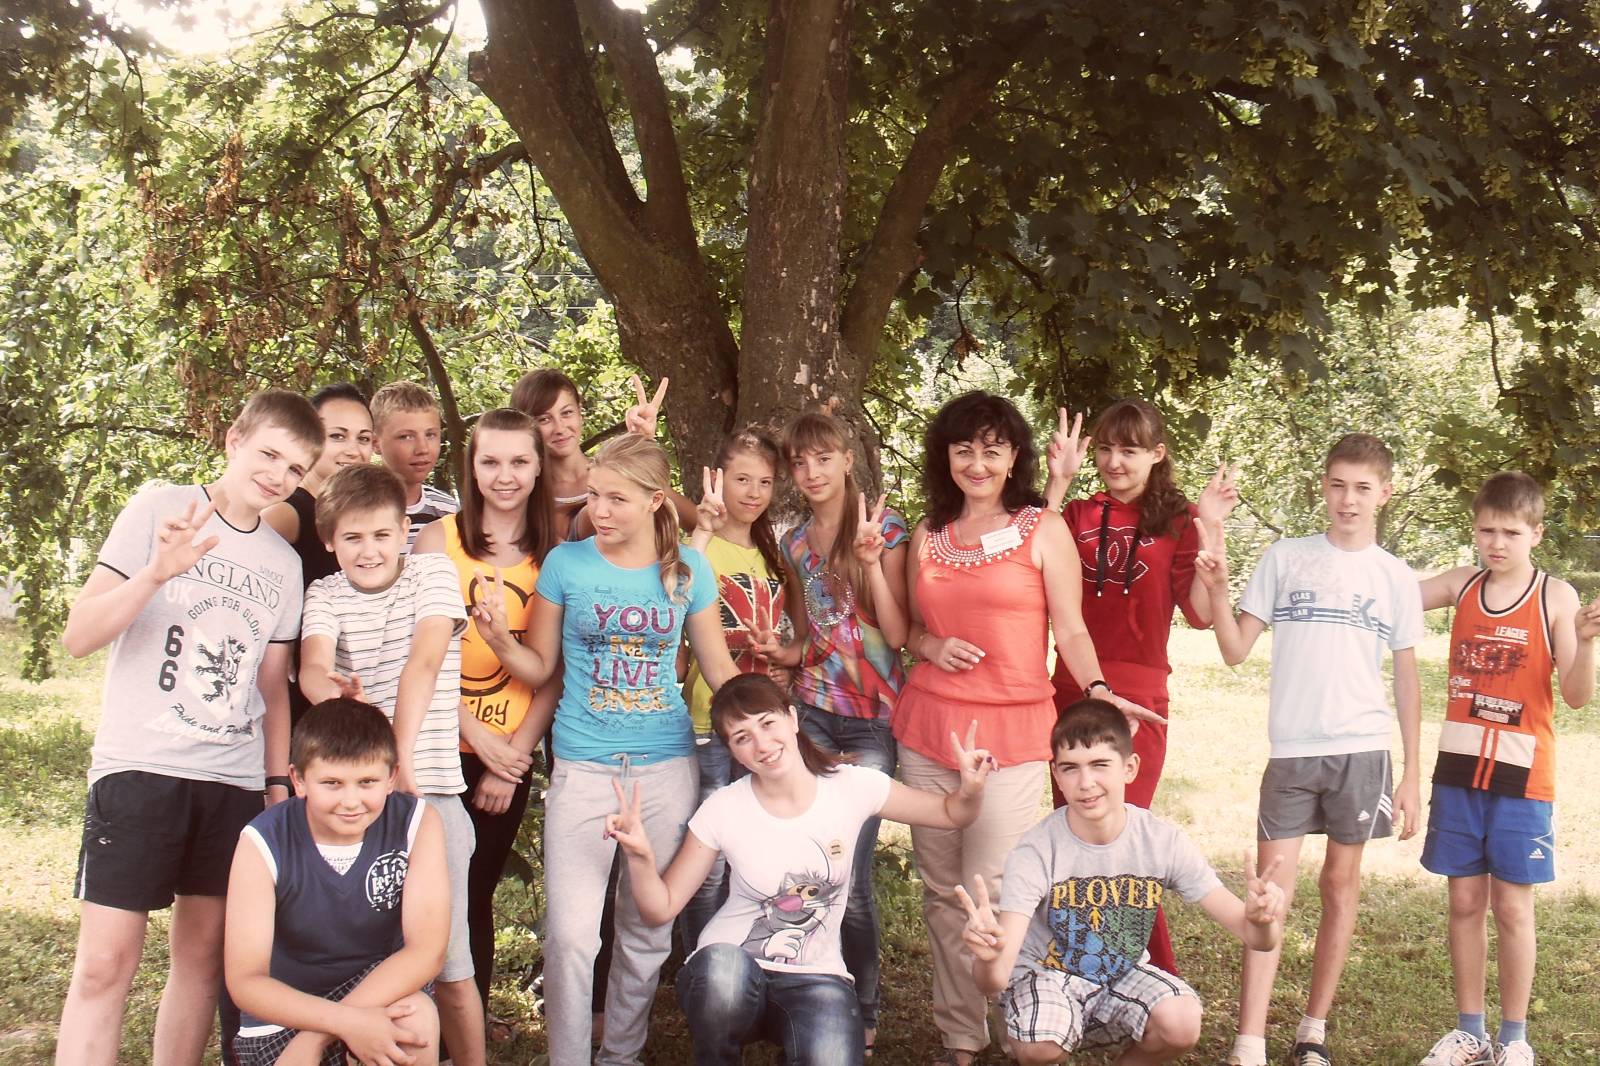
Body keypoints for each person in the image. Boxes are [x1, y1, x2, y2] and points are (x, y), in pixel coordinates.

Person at [56, 389, 323, 1066]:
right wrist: (155, 573)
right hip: (140, 767)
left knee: (202, 959)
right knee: (104, 964)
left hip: (231, 783)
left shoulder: (284, 564)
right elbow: (78, 637)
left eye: (295, 468)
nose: (278, 476)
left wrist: (274, 786)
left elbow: (271, 686)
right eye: (269, 454)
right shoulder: (158, 510)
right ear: (234, 439)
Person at [894, 391, 1159, 1065]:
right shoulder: (928, 533)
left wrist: (1099, 692)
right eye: (963, 450)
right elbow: (909, 629)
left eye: (992, 450)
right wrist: (930, 646)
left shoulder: (1042, 528)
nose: (977, 464)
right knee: (943, 893)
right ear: (945, 457)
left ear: (1014, 457)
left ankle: (1028, 1020)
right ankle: (960, 1036)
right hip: (929, 728)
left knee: (992, 888)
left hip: (1010, 735)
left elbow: (1070, 628)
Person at [474, 432, 739, 1066]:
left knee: (646, 931)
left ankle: (621, 1054)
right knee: (570, 936)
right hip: (584, 766)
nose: (599, 510)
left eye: (616, 498)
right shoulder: (567, 564)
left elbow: (719, 671)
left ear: (655, 500)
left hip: (666, 766)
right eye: (594, 495)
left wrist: (777, 728)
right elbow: (540, 668)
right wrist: (499, 640)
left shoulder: (689, 571)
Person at [605, 673, 994, 1066]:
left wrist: (971, 789)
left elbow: (951, 813)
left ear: (792, 718)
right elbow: (661, 907)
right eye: (742, 737)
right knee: (722, 973)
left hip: (816, 976)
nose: (762, 744)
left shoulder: (852, 786)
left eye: (767, 723)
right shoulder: (723, 808)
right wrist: (640, 856)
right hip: (731, 968)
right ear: (733, 752)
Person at [1195, 433, 1425, 1066]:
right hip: (1293, 751)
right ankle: (1249, 1042)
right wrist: (1218, 587)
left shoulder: (1395, 577)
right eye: (1338, 485)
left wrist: (1411, 774)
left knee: (1340, 885)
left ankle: (1312, 1031)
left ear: (1384, 492)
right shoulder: (1285, 557)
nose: (1348, 500)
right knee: (1270, 891)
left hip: (1363, 751)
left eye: (1362, 488)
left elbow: (1407, 681)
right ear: (1322, 486)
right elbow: (1234, 650)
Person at [957, 700, 1287, 1066]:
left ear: (1129, 768)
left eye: (1100, 765)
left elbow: (1257, 939)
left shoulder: (1160, 841)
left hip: (1120, 973)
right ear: (1056, 775)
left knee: (1181, 1021)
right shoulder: (1035, 851)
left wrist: (1261, 922)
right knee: (1041, 1046)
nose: (1086, 783)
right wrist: (987, 959)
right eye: (1070, 768)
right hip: (1045, 976)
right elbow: (994, 979)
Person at [297, 463, 486, 1066]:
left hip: (430, 793)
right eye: (352, 537)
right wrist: (337, 699)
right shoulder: (325, 594)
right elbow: (311, 668)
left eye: (382, 534)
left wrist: (398, 760)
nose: (369, 550)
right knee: (374, 965)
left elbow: (424, 663)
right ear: (330, 540)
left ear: (405, 530)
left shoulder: (432, 572)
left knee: (451, 966)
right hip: (360, 804)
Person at [1042, 399, 1239, 973]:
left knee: (1125, 838)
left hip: (1140, 699)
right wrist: (1058, 483)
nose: (1114, 462)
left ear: (1157, 454)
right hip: (1071, 688)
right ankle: (1085, 974)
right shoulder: (1077, 513)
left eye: (1129, 450)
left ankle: (1157, 979)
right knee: (1075, 835)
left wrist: (1212, 529)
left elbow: (1199, 612)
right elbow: (1031, 562)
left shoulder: (1178, 521)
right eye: (1105, 449)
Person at [1413, 473, 1599, 1066]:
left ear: (1536, 534)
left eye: (1511, 533)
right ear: (1475, 530)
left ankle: (1515, 1038)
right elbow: (1389, 592)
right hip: (1459, 770)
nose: (1497, 543)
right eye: (1487, 530)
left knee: (1513, 908)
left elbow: (1576, 697)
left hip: (1523, 777)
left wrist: (1587, 643)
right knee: (1465, 903)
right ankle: (1470, 1032)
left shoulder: (1555, 596)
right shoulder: (1463, 584)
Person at [413, 408, 560, 1023]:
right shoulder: (437, 541)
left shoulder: (557, 554)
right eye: (491, 461)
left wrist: (511, 759)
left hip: (508, 756)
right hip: (436, 747)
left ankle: (461, 1037)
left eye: (519, 461)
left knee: (474, 896)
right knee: (422, 896)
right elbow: (417, 659)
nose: (505, 476)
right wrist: (473, 736)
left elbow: (553, 673)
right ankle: (410, 1030)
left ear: (539, 467)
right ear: (471, 467)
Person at [776, 411, 910, 1054]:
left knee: (849, 875)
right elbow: (811, 636)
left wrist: (871, 561)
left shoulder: (884, 527)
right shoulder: (794, 543)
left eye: (823, 458)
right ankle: (804, 995)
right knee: (804, 865)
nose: (812, 472)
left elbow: (898, 631)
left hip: (871, 720)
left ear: (847, 459)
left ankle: (864, 1005)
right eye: (800, 462)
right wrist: (777, 652)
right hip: (811, 713)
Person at [224, 697, 449, 1066]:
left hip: (379, 995)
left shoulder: (417, 822)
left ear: (392, 777)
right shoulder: (262, 840)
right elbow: (246, 981)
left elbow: (426, 952)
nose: (351, 801)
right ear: (299, 780)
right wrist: (339, 1024)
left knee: (415, 1016)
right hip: (285, 1017)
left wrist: (319, 1038)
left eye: (367, 782)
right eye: (332, 783)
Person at [680, 430, 802, 946]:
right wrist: (701, 532)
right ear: (718, 479)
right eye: (742, 479)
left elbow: (794, 636)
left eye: (765, 482)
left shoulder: (774, 553)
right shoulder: (700, 546)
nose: (753, 493)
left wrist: (784, 664)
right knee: (707, 862)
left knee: (757, 853)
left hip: (765, 724)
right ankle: (701, 961)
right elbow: (673, 601)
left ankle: (751, 954)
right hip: (709, 721)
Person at [262, 382, 375, 728]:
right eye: (337, 436)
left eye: (364, 438)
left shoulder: (356, 520)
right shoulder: (289, 511)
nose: (353, 450)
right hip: (294, 697)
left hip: (348, 691)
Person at [510, 368, 696, 538]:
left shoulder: (615, 472)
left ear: (580, 414)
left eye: (566, 413)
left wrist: (641, 459)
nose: (560, 428)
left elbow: (696, 523)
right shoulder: (522, 490)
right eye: (544, 419)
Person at [370, 381, 458, 553]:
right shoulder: (353, 507)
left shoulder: (448, 510)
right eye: (406, 437)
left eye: (430, 435)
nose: (423, 448)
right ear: (375, 443)